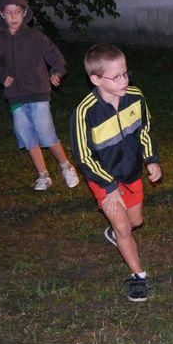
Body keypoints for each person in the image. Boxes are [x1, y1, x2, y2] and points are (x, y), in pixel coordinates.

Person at [70, 44, 162, 302]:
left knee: (135, 222)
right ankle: (138, 276)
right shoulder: (85, 112)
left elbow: (145, 130)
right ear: (96, 79)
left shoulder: (136, 97)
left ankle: (116, 232)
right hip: (102, 178)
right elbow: (83, 157)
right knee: (123, 228)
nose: (124, 81)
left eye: (125, 73)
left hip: (131, 173)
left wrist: (150, 159)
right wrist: (109, 186)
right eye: (116, 77)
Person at [0, 0, 79, 192]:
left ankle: (66, 166)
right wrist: (1, 77)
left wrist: (57, 71)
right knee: (27, 135)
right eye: (8, 12)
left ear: (24, 12)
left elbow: (55, 56)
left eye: (17, 12)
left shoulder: (36, 37)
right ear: (2, 14)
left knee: (46, 133)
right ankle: (43, 176)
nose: (13, 16)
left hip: (38, 93)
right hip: (15, 96)